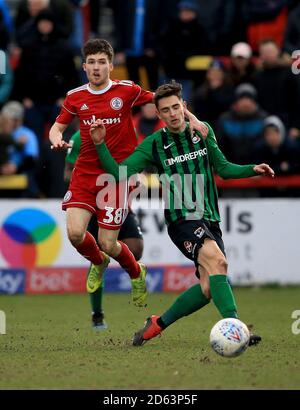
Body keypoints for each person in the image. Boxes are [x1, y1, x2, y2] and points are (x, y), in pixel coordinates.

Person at [89, 80, 275, 346]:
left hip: (210, 216)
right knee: (219, 262)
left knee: (208, 288)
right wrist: (100, 144)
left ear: (184, 107)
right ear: (159, 114)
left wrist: (251, 169)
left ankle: (156, 324)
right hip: (182, 218)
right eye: (165, 110)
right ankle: (237, 328)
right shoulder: (154, 144)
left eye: (176, 107)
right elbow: (118, 172)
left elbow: (222, 168)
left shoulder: (202, 131)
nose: (172, 113)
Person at [49, 38, 154, 308]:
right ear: (84, 67)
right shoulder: (75, 96)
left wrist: (192, 119)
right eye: (92, 62)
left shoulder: (128, 90)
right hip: (85, 172)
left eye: (102, 62)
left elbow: (163, 100)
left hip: (116, 175)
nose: (96, 67)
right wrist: (57, 138)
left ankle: (135, 272)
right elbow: (57, 127)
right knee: (75, 233)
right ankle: (98, 262)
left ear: (111, 65)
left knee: (108, 242)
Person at [65, 130, 144, 329]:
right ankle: (97, 314)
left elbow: (135, 165)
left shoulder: (125, 132)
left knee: (136, 249)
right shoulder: (78, 138)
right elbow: (67, 172)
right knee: (98, 254)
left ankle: (133, 271)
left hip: (117, 198)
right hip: (91, 202)